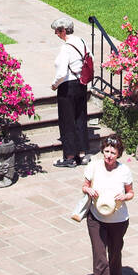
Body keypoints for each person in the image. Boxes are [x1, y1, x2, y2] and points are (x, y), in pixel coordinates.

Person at [81, 135, 133, 275]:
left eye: (113, 152)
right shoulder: (93, 166)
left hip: (118, 220)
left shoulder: (124, 171)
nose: (109, 155)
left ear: (118, 154)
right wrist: (88, 189)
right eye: (107, 151)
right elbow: (84, 186)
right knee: (100, 257)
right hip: (96, 218)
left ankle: (116, 274)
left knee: (115, 249)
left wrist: (124, 197)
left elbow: (131, 192)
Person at [50, 16, 90, 168]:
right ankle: (82, 153)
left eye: (57, 31)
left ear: (64, 30)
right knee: (80, 118)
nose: (56, 34)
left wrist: (54, 85)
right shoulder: (82, 42)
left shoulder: (66, 48)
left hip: (67, 87)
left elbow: (61, 73)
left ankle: (70, 157)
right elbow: (90, 58)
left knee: (67, 122)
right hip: (81, 84)